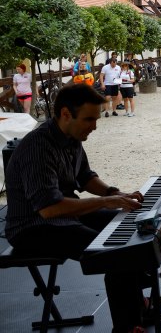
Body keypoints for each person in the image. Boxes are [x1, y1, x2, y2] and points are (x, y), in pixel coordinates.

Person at [3, 83, 149, 333]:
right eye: (89, 119)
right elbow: (49, 209)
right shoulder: (38, 147)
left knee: (129, 229)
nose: (94, 126)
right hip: (33, 227)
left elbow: (85, 176)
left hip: (64, 217)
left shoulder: (71, 137)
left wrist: (115, 194)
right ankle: (127, 326)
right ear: (65, 114)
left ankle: (139, 309)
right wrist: (106, 202)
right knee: (116, 255)